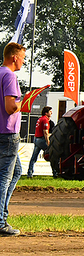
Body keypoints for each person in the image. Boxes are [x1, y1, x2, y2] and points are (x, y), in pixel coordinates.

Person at [0, 42, 26, 236]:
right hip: (8, 133)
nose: (23, 62)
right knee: (4, 177)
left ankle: (3, 213)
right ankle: (0, 221)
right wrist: (22, 102)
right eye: (23, 58)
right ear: (14, 57)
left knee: (16, 171)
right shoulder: (10, 76)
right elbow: (10, 107)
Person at [27, 106, 52, 178]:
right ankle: (55, 172)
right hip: (41, 140)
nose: (51, 113)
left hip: (36, 139)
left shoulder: (40, 119)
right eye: (50, 111)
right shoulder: (45, 120)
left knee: (34, 157)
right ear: (46, 113)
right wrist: (48, 142)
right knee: (51, 155)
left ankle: (30, 173)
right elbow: (45, 132)